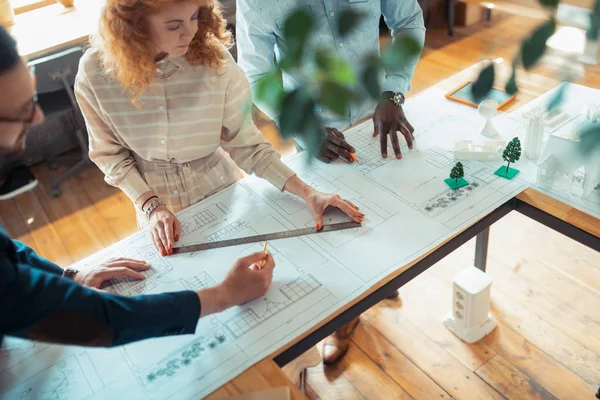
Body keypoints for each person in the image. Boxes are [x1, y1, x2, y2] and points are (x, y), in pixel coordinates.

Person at [0, 24, 277, 348]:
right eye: (22, 111)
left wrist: (65, 277)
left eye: (32, 98)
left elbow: (8, 252)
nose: (37, 119)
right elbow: (98, 320)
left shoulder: (213, 60)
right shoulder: (95, 74)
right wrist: (225, 294)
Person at [74, 0, 363, 257]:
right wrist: (151, 207)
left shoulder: (215, 62)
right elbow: (109, 154)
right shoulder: (94, 73)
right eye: (174, 25)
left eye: (194, 16)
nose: (189, 32)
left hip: (222, 188)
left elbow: (248, 146)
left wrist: (308, 193)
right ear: (135, 25)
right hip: (153, 202)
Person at [236, 0, 425, 364]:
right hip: (319, 136)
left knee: (388, 213)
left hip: (379, 117)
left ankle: (383, 278)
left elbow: (409, 20)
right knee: (339, 233)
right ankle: (343, 320)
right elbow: (256, 74)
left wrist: (394, 91)